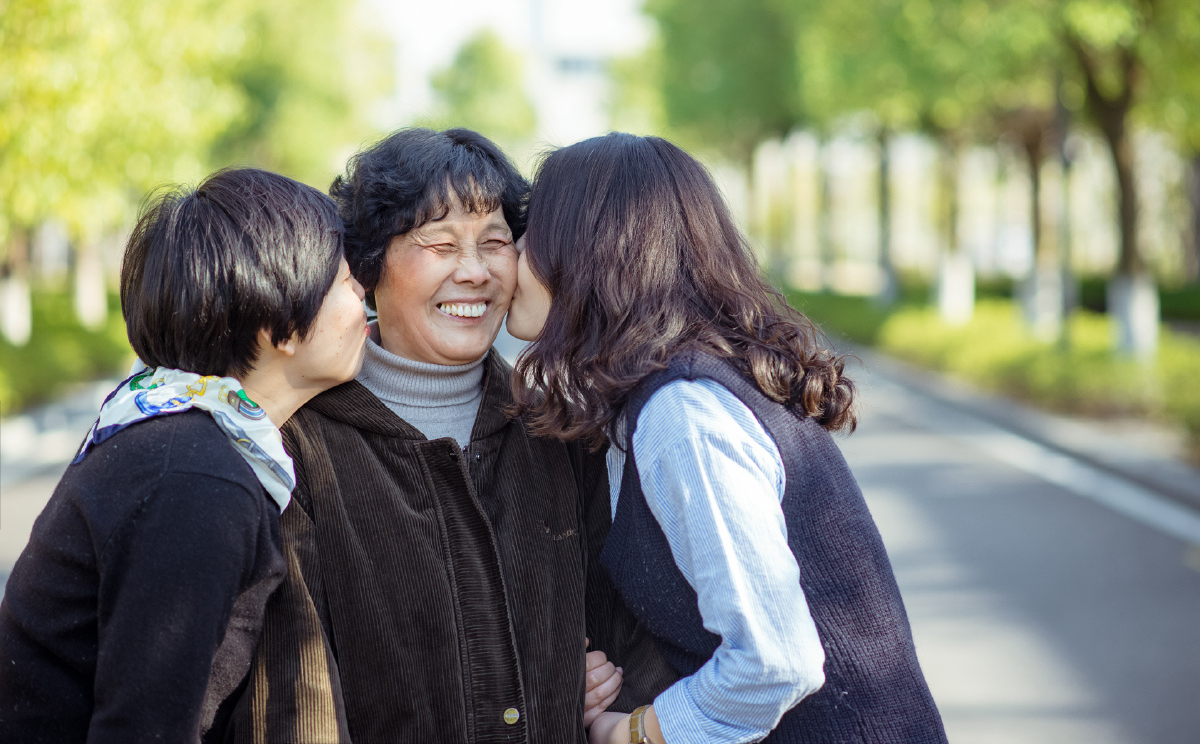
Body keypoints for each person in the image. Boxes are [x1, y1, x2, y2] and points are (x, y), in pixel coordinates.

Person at [228, 128, 671, 744]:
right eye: (439, 244)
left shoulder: (562, 426)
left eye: (496, 243)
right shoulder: (299, 445)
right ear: (369, 265)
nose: (475, 272)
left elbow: (641, 625)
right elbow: (295, 697)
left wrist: (612, 706)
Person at [507, 133, 949, 744]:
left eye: (532, 230)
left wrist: (631, 734)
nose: (513, 251)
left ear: (586, 252)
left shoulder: (683, 412)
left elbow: (775, 661)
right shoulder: (675, 389)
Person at [0, 168, 369, 744]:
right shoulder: (197, 480)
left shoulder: (174, 436)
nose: (362, 296)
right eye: (347, 281)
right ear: (285, 326)